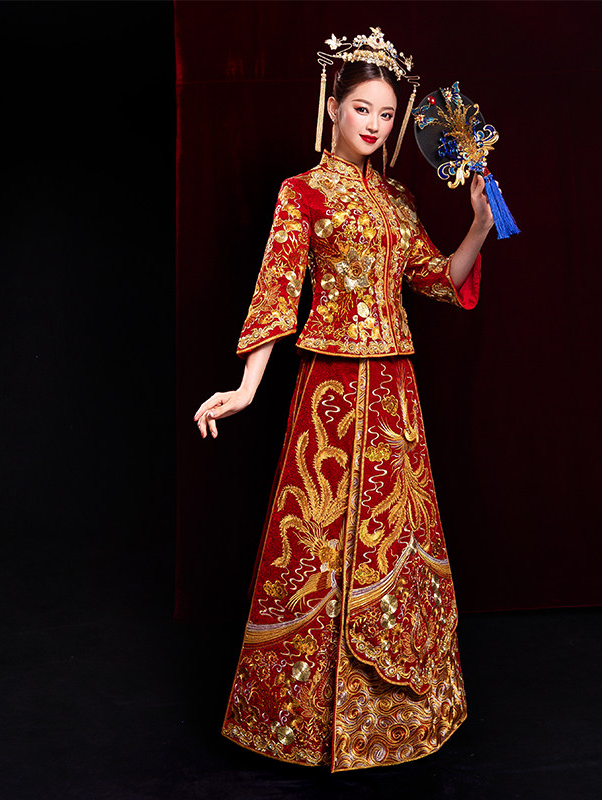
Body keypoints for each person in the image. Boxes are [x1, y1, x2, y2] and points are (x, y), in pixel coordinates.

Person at [194, 27, 493, 772]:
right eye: (362, 108)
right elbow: (277, 290)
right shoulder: (304, 193)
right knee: (319, 547)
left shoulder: (396, 199)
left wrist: (480, 225)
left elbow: (438, 279)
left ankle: (397, 721)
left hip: (395, 398)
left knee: (398, 541)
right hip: (329, 393)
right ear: (333, 105)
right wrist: (246, 387)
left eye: (387, 114)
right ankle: (306, 725)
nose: (374, 125)